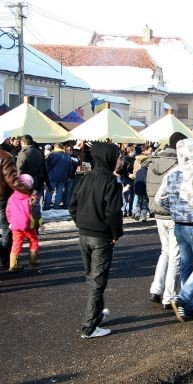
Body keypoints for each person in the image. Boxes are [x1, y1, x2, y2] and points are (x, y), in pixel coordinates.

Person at [156, 139, 193, 322]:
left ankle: (188, 308)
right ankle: (184, 295)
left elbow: (159, 199)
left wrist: (174, 209)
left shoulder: (172, 173)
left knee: (186, 265)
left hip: (179, 224)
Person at [70, 142, 124, 339]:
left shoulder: (87, 177)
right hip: (101, 237)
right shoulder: (112, 181)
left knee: (92, 278)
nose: (120, 161)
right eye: (118, 157)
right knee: (97, 281)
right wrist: (116, 234)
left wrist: (82, 222)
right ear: (109, 158)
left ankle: (97, 315)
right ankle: (89, 327)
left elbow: (73, 205)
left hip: (84, 235)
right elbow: (113, 212)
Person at [146, 132, 185, 309]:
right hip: (173, 213)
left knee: (166, 251)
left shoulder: (154, 161)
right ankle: (169, 296)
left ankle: (156, 288)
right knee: (175, 255)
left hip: (157, 212)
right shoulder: (178, 165)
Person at [0, 144, 34, 270]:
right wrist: (28, 191)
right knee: (6, 229)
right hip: (2, 197)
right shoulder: (5, 156)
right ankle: (5, 261)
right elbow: (12, 179)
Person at [6, 174, 39, 271]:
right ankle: (33, 263)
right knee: (34, 241)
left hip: (15, 225)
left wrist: (11, 221)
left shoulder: (12, 196)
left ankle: (13, 266)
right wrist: (38, 223)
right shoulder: (30, 197)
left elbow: (8, 211)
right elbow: (35, 212)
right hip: (28, 225)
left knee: (16, 244)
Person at [44, 143, 73, 210]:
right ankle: (57, 206)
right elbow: (70, 168)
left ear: (56, 147)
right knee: (59, 192)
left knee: (49, 191)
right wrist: (69, 176)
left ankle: (47, 206)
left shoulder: (51, 154)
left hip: (52, 176)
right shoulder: (67, 156)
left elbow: (45, 165)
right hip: (63, 177)